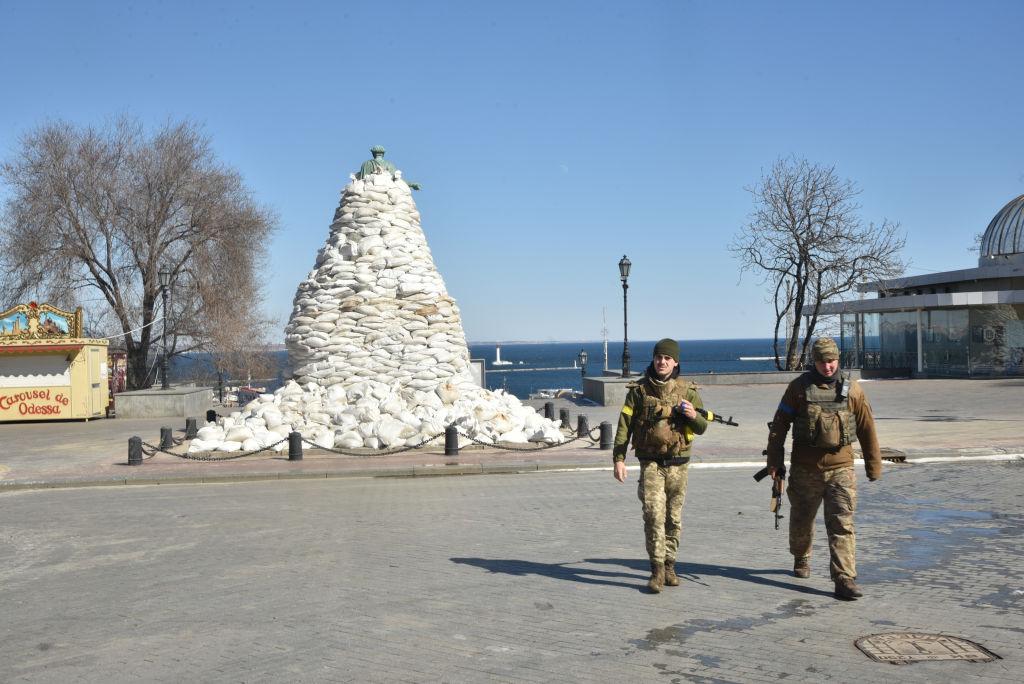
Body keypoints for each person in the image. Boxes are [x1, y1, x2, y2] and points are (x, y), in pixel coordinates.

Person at [764, 337, 882, 600]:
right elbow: (780, 425)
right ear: (814, 362)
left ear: (838, 360)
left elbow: (867, 428)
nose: (827, 366)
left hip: (841, 468)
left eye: (831, 361)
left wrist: (874, 466)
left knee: (842, 523)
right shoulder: (797, 389)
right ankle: (801, 556)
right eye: (822, 361)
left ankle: (844, 578)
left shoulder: (853, 391)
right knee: (801, 520)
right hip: (806, 469)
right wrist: (774, 461)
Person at [613, 338, 708, 593]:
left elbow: (702, 427)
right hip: (651, 463)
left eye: (667, 358)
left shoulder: (688, 391)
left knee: (673, 518)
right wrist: (618, 459)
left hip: (679, 463)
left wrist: (692, 415)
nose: (662, 362)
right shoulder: (638, 391)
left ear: (675, 361)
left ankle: (669, 565)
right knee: (654, 514)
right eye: (658, 357)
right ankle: (656, 569)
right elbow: (624, 426)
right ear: (653, 360)